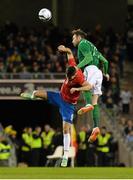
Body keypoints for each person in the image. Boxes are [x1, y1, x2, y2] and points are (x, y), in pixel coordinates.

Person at [20, 45, 92, 167]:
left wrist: (78, 88)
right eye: (67, 77)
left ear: (75, 75)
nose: (69, 80)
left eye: (71, 78)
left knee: (65, 129)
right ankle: (32, 95)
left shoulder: (79, 76)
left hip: (68, 105)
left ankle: (65, 156)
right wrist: (65, 49)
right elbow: (69, 52)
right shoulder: (72, 66)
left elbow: (89, 86)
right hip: (59, 96)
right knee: (38, 93)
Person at [72, 29, 110, 142]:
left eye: (73, 38)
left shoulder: (82, 44)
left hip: (90, 69)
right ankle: (96, 127)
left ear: (79, 37)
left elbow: (88, 58)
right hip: (98, 72)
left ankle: (87, 104)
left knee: (86, 87)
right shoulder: (94, 47)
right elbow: (106, 62)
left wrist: (76, 67)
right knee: (95, 102)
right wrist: (105, 72)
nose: (72, 40)